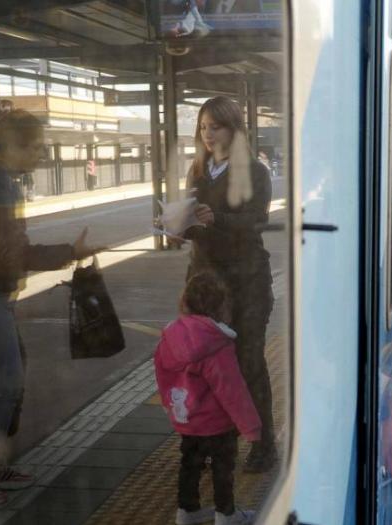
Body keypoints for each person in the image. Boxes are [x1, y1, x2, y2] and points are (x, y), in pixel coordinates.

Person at [0, 100, 100, 507]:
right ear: (13, 146)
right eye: (35, 146)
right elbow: (11, 252)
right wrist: (70, 252)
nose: (41, 153)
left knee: (3, 382)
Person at [183, 96, 277, 473]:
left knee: (248, 363)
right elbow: (196, 227)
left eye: (215, 126)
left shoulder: (255, 171)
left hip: (247, 282)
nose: (207, 134)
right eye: (203, 127)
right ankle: (212, 441)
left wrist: (216, 219)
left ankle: (264, 445)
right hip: (206, 286)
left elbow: (257, 221)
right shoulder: (197, 171)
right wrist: (177, 226)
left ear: (233, 129)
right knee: (206, 366)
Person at [155, 272, 260, 525]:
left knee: (190, 463)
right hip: (216, 424)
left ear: (186, 302)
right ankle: (226, 514)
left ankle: (186, 511)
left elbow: (162, 374)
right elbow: (232, 390)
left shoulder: (170, 337)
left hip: (187, 419)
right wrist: (251, 428)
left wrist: (171, 406)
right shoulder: (216, 344)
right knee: (222, 468)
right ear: (222, 306)